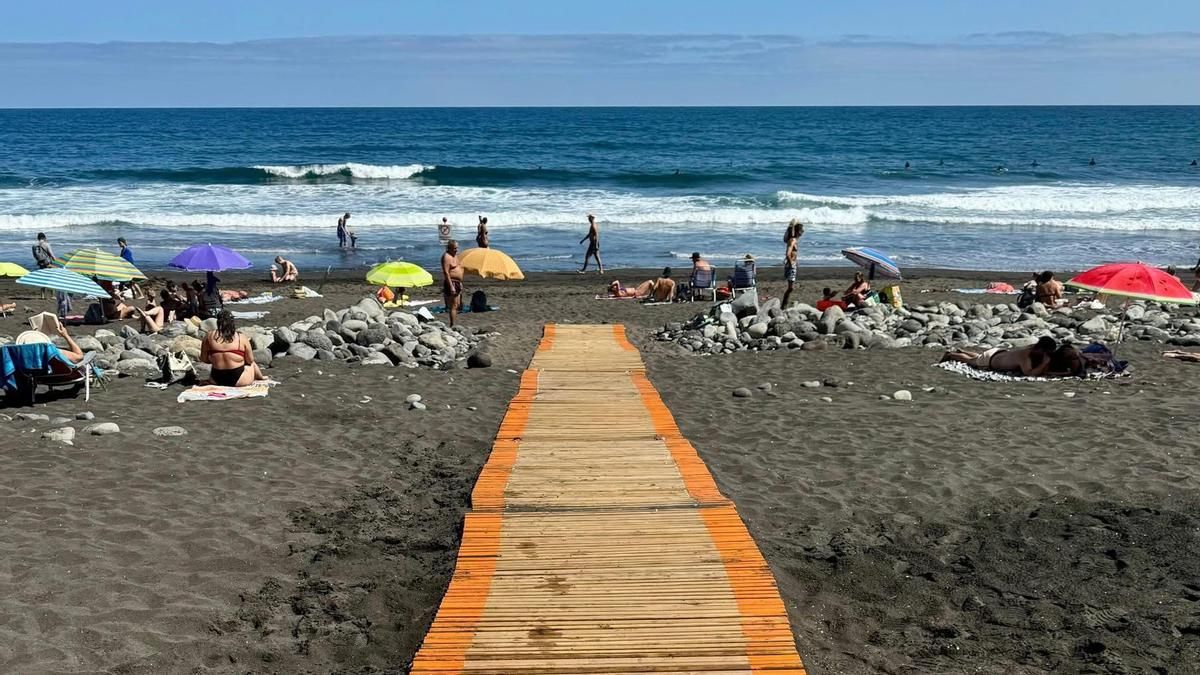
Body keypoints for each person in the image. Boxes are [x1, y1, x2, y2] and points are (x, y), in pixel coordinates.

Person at [200, 310, 265, 387]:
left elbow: (204, 359)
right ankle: (262, 378)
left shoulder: (209, 336)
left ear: (218, 322)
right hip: (239, 379)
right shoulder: (241, 338)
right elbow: (250, 360)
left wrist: (216, 358)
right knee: (252, 364)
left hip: (216, 379)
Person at [940, 336, 1058, 376]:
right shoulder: (1025, 356)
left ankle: (962, 351)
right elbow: (1029, 373)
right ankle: (951, 355)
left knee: (979, 357)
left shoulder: (1032, 348)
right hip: (991, 360)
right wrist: (1044, 363)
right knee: (971, 361)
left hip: (997, 353)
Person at [442, 239, 464, 327]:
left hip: (457, 282)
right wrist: (451, 286)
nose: (456, 250)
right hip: (452, 282)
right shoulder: (446, 257)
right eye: (454, 248)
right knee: (453, 305)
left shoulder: (455, 256)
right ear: (449, 248)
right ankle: (452, 325)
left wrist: (460, 282)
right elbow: (446, 272)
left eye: (457, 248)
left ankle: (453, 323)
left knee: (458, 305)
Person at [782, 219, 803, 308]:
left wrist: (795, 262)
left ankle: (784, 304)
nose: (802, 232)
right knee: (791, 288)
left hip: (792, 264)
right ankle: (784, 305)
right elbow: (788, 253)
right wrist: (791, 263)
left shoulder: (793, 240)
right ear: (798, 231)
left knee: (791, 287)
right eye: (801, 230)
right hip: (791, 265)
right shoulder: (792, 240)